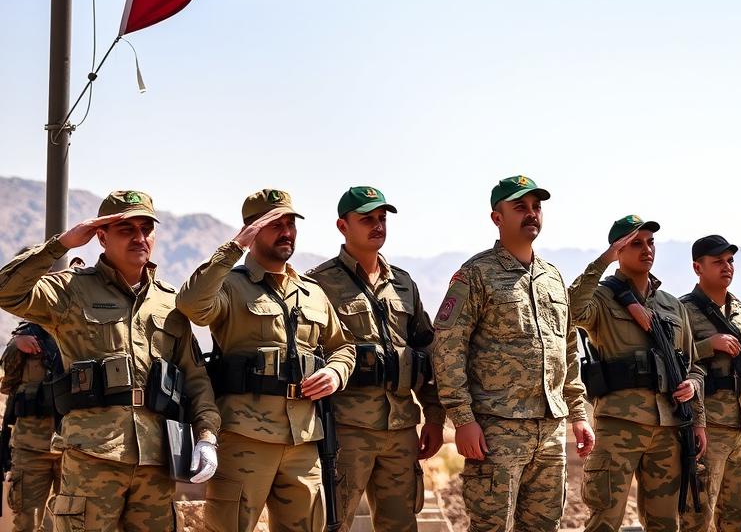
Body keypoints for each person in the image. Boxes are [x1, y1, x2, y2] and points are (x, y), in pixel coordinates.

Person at [0, 191, 220, 532]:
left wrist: (206, 436)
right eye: (126, 229)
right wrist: (62, 244)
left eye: (146, 228)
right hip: (92, 457)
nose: (139, 237)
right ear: (101, 237)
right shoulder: (70, 290)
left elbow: (195, 379)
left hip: (156, 462)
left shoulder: (170, 303)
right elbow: (6, 290)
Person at [176, 188, 357, 532]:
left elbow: (343, 346)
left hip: (303, 440)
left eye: (291, 224)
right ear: (252, 230)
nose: (287, 232)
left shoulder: (312, 291)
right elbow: (191, 305)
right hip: (245, 438)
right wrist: (234, 249)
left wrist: (335, 373)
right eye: (275, 224)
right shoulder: (229, 285)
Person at [431, 175, 594, 532]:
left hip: (550, 431)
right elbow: (447, 346)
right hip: (496, 428)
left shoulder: (552, 277)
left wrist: (578, 413)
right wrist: (463, 419)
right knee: (489, 526)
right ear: (497, 218)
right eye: (520, 207)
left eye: (536, 207)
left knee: (543, 526)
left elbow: (566, 349)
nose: (531, 214)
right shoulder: (476, 274)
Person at [306, 186, 444, 531]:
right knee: (331, 522)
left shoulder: (403, 284)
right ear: (342, 226)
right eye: (366, 218)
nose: (377, 225)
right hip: (346, 429)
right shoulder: (317, 284)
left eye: (382, 218)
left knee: (401, 524)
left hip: (401, 429)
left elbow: (427, 354)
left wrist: (435, 417)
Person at [568, 214, 707, 532]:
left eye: (650, 242)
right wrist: (603, 262)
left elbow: (694, 365)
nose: (647, 249)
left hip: (670, 427)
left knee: (665, 523)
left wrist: (694, 397)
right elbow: (573, 309)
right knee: (604, 519)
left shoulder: (672, 305)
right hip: (619, 426)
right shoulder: (602, 298)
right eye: (636, 243)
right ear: (618, 250)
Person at [679, 234, 741, 532]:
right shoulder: (682, 309)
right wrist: (710, 345)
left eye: (730, 261)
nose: (727, 267)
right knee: (698, 516)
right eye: (718, 261)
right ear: (698, 267)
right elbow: (674, 360)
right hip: (707, 428)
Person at [1, 320, 63, 531]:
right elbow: (9, 382)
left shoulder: (82, 331)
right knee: (27, 522)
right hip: (31, 447)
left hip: (75, 446)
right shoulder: (29, 335)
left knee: (74, 522)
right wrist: (16, 344)